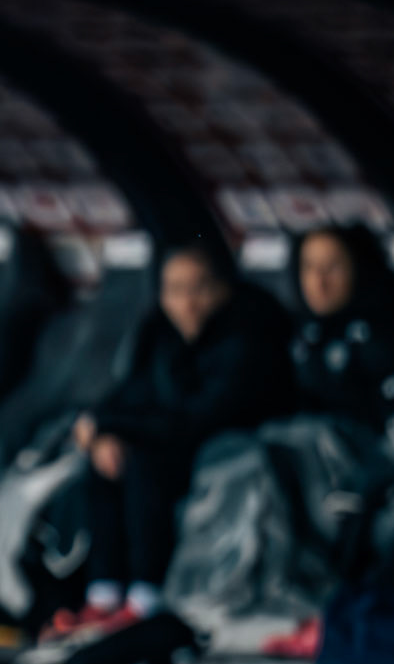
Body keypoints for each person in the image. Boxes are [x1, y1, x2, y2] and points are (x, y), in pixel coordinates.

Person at [50, 244, 292, 639]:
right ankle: (104, 597)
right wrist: (102, 430)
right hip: (171, 440)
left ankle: (146, 601)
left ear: (223, 290)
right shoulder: (160, 331)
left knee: (143, 462)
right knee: (105, 460)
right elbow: (131, 390)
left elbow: (198, 418)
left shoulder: (248, 336)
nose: (187, 302)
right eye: (175, 289)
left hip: (228, 446)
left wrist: (113, 426)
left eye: (199, 288)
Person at [291, 227, 394, 430]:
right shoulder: (306, 331)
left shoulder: (384, 336)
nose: (319, 282)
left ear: (359, 267)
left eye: (332, 267)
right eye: (308, 267)